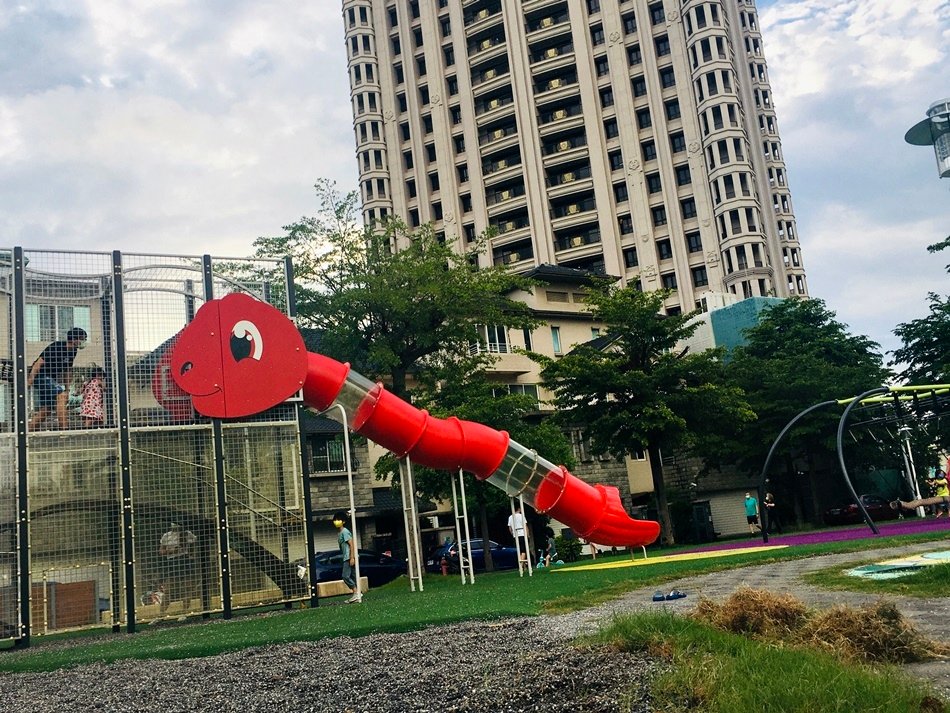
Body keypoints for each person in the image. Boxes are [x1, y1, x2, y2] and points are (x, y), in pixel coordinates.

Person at [27, 327, 87, 430]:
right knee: (61, 396)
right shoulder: (57, 346)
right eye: (82, 339)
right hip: (41, 375)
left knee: (47, 408)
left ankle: (28, 431)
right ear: (73, 339)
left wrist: (68, 389)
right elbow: (38, 363)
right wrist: (30, 381)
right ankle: (64, 430)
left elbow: (67, 370)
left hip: (51, 379)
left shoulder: (73, 351)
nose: (83, 342)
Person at [158, 521, 197, 616]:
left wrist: (190, 554)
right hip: (172, 562)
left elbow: (193, 544)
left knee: (187, 588)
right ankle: (161, 613)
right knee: (169, 589)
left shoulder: (187, 534)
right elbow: (161, 551)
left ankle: (185, 611)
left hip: (184, 560)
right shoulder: (166, 536)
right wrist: (171, 551)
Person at [333, 511, 361, 603]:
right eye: (335, 520)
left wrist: (352, 557)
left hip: (348, 557)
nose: (336, 521)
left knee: (345, 576)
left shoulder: (345, 532)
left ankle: (356, 592)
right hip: (347, 556)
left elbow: (351, 544)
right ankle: (357, 594)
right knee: (353, 575)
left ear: (343, 521)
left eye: (338, 520)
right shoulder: (340, 533)